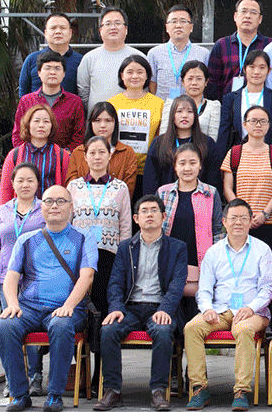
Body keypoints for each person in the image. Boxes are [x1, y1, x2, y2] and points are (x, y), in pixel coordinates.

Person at [0, 185, 96, 412]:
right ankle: (20, 394)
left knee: (61, 326)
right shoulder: (26, 239)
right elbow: (11, 277)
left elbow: (87, 276)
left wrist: (68, 305)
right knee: (4, 327)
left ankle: (54, 395)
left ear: (71, 207)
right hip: (29, 308)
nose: (54, 206)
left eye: (61, 201)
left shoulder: (83, 237)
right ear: (42, 208)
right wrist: (12, 304)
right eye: (49, 201)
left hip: (68, 309)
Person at [183, 199, 272, 412]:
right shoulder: (214, 252)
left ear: (251, 221)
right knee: (191, 328)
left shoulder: (262, 250)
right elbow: (204, 289)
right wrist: (207, 308)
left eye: (243, 218)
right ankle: (199, 388)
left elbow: (269, 288)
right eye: (233, 218)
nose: (238, 222)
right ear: (224, 222)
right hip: (220, 310)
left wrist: (251, 308)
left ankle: (241, 390)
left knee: (243, 329)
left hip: (253, 312)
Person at [95, 195, 186, 412]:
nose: (149, 215)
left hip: (159, 307)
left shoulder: (177, 247)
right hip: (131, 308)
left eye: (154, 210)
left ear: (163, 216)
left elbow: (177, 284)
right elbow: (115, 283)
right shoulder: (125, 247)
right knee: (108, 330)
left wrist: (165, 309)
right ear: (136, 218)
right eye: (144, 211)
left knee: (163, 331)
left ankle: (158, 390)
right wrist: (116, 308)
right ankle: (112, 390)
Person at [0, 163, 47, 395]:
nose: (25, 184)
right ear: (12, 184)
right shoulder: (2, 212)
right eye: (20, 180)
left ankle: (35, 376)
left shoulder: (44, 210)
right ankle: (13, 378)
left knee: (31, 328)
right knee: (9, 326)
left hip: (36, 278)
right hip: (6, 279)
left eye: (30, 180)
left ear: (38, 184)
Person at [67, 135, 133, 316]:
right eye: (92, 153)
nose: (97, 157)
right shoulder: (74, 186)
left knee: (102, 299)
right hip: (79, 252)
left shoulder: (120, 187)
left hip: (108, 252)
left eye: (102, 152)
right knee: (79, 298)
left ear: (110, 155)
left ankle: (99, 334)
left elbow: (125, 224)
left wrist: (123, 255)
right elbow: (67, 221)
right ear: (85, 156)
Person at [156, 144, 224, 304]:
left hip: (201, 262)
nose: (187, 168)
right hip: (168, 262)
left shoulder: (211, 193)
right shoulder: (163, 193)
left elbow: (217, 231)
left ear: (200, 165)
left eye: (193, 163)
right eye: (182, 163)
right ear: (175, 166)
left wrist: (215, 265)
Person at [220, 105, 272, 261]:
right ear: (244, 124)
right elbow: (227, 188)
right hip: (240, 223)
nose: (258, 125)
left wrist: (265, 214)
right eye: (253, 121)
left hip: (269, 222)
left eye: (263, 121)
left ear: (269, 125)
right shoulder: (234, 153)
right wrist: (244, 215)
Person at [143, 95, 217, 195]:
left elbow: (213, 180)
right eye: (179, 111)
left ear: (195, 116)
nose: (184, 115)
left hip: (199, 198)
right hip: (166, 199)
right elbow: (150, 181)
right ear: (172, 115)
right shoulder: (159, 143)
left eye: (190, 111)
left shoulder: (207, 143)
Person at [216, 50, 272, 156]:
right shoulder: (230, 99)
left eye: (262, 67)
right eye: (252, 67)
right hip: (239, 157)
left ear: (269, 70)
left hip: (268, 157)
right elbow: (224, 135)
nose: (256, 72)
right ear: (245, 69)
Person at [0, 104, 72, 205]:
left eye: (46, 121)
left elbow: (68, 187)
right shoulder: (14, 155)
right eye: (36, 121)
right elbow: (6, 189)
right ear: (28, 124)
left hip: (52, 210)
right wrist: (5, 212)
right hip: (23, 211)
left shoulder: (62, 155)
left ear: (52, 126)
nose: (41, 125)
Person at [13, 50, 84, 151]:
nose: (52, 72)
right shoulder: (26, 101)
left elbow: (79, 135)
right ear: (39, 73)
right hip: (30, 157)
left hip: (64, 157)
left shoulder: (75, 102)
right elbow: (18, 134)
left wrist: (65, 154)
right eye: (47, 68)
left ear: (64, 73)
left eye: (57, 68)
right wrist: (26, 153)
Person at [106, 55, 165, 172]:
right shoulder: (111, 104)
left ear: (147, 76)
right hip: (117, 169)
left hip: (148, 168)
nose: (134, 76)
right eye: (129, 72)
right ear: (122, 75)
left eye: (140, 72)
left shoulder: (159, 104)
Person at [206, 0, 272, 101]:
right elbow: (212, 82)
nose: (248, 16)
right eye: (243, 11)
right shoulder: (222, 45)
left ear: (260, 19)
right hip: (229, 105)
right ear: (235, 16)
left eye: (253, 12)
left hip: (261, 105)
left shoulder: (270, 45)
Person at [69, 102, 139, 198]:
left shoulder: (127, 152)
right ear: (90, 123)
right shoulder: (79, 152)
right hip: (83, 204)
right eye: (97, 120)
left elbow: (128, 189)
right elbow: (72, 187)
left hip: (115, 204)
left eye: (108, 120)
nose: (102, 125)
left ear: (115, 123)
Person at [78, 8, 143, 109]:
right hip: (98, 117)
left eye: (117, 23)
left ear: (126, 29)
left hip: (131, 115)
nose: (113, 27)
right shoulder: (89, 58)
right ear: (100, 30)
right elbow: (83, 93)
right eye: (108, 24)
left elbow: (145, 89)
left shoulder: (138, 57)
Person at [148, 5, 211, 100]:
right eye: (173, 21)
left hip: (193, 107)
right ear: (167, 27)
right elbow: (152, 83)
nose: (178, 26)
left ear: (191, 27)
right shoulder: (154, 53)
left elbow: (207, 83)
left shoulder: (203, 53)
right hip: (163, 106)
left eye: (183, 21)